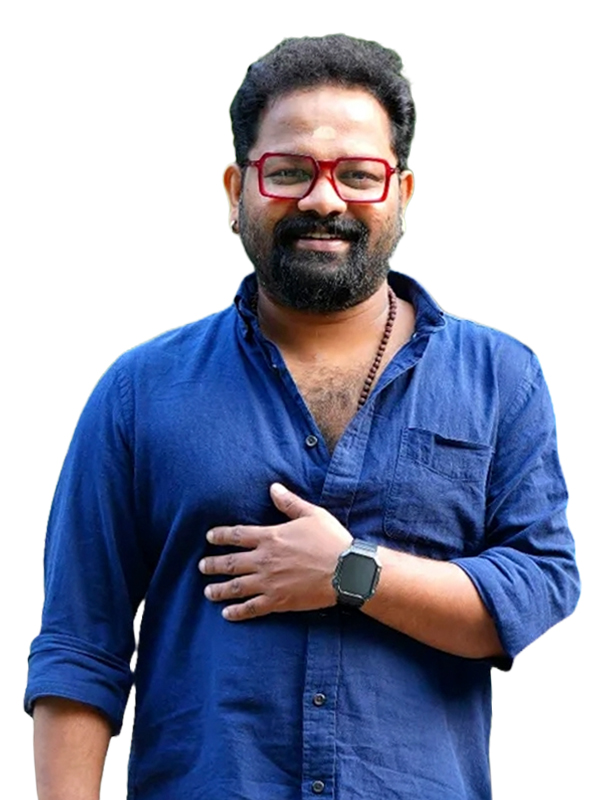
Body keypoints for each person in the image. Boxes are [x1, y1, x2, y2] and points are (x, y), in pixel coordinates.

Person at [25, 34, 580, 800]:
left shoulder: (499, 379)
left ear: (402, 194)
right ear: (236, 190)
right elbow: (78, 645)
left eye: (358, 174)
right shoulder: (138, 392)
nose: (324, 199)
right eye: (288, 172)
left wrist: (353, 573)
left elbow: (537, 583)